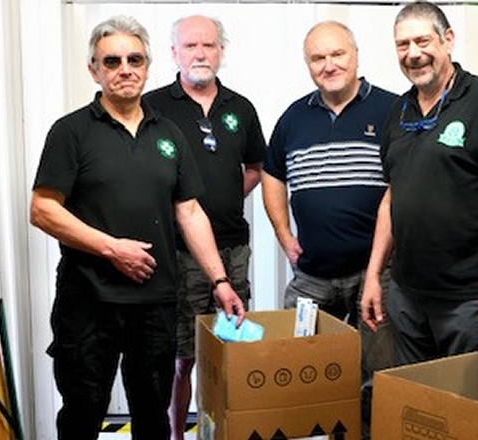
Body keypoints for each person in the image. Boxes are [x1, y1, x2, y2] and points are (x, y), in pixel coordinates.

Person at [29, 15, 245, 440]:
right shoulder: (71, 131)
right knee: (82, 412)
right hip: (88, 301)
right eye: (111, 61)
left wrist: (219, 279)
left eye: (134, 59)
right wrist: (112, 249)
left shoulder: (168, 132)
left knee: (152, 414)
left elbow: (190, 211)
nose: (124, 68)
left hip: (156, 300)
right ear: (94, 69)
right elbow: (43, 209)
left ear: (148, 66)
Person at [361, 1, 478, 367]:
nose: (413, 54)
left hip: (469, 301)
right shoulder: (399, 112)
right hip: (407, 298)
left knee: (469, 411)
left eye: (422, 41)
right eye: (402, 45)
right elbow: (392, 198)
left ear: (448, 40)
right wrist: (374, 275)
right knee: (421, 407)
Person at [261, 20, 397, 439]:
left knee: (376, 377)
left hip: (376, 275)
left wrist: (376, 269)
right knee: (299, 371)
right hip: (313, 276)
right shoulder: (293, 118)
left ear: (356, 55)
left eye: (337, 54)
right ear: (308, 65)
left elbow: (402, 186)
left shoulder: (393, 110)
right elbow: (272, 176)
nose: (329, 64)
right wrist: (285, 236)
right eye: (318, 58)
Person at [143, 14, 266, 440]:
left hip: (234, 247)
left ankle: (230, 430)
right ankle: (179, 434)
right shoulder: (153, 106)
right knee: (183, 357)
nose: (200, 53)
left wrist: (226, 197)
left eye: (209, 45)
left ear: (221, 51)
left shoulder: (241, 108)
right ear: (174, 52)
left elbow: (254, 168)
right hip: (180, 253)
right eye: (191, 46)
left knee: (234, 350)